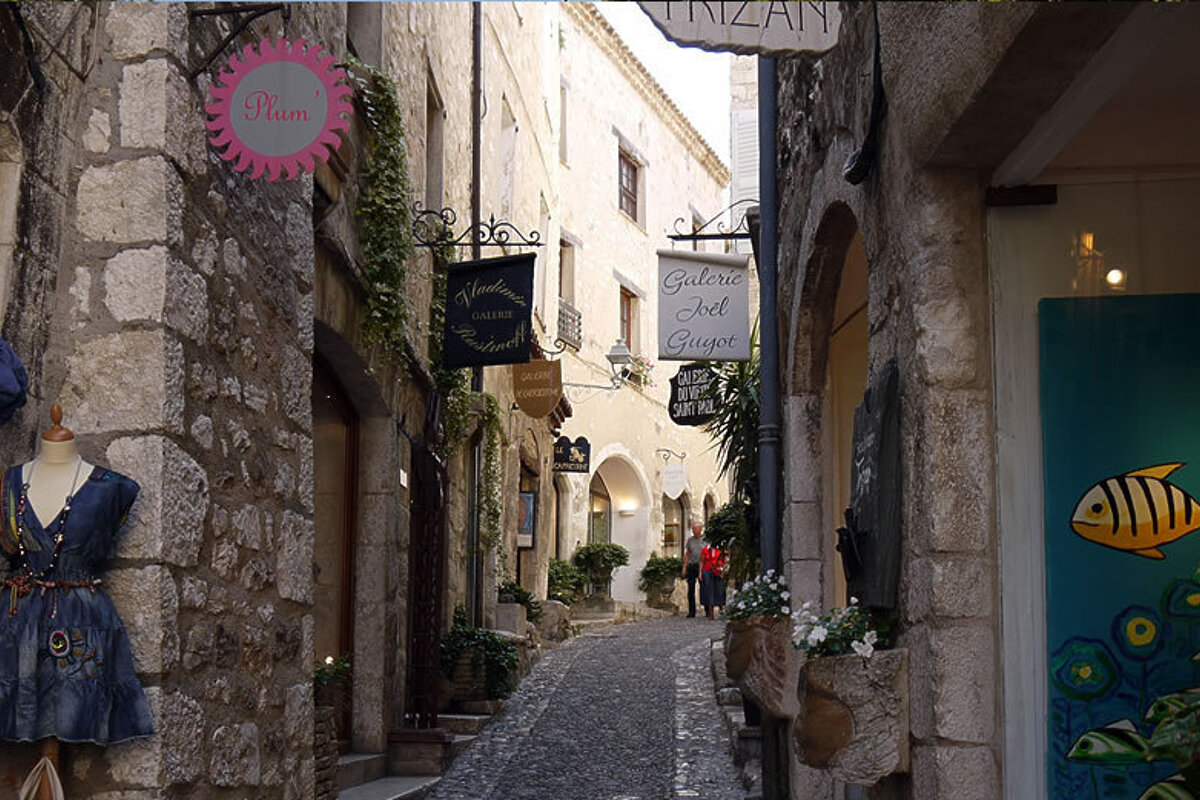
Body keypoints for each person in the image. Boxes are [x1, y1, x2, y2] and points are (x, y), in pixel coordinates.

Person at [700, 539, 727, 619]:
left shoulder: (722, 550)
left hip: (719, 571)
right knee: (709, 590)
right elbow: (702, 561)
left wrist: (724, 568)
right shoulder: (705, 550)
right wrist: (700, 573)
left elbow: (726, 560)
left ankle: (721, 607)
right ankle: (710, 611)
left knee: (720, 589)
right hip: (708, 570)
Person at [682, 521, 705, 618]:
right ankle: (692, 611)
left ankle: (707, 608)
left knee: (704, 588)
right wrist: (684, 567)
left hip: (703, 566)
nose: (693, 531)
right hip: (692, 565)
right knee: (690, 589)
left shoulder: (705, 540)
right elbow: (687, 554)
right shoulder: (690, 540)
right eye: (692, 529)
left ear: (700, 529)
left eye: (695, 529)